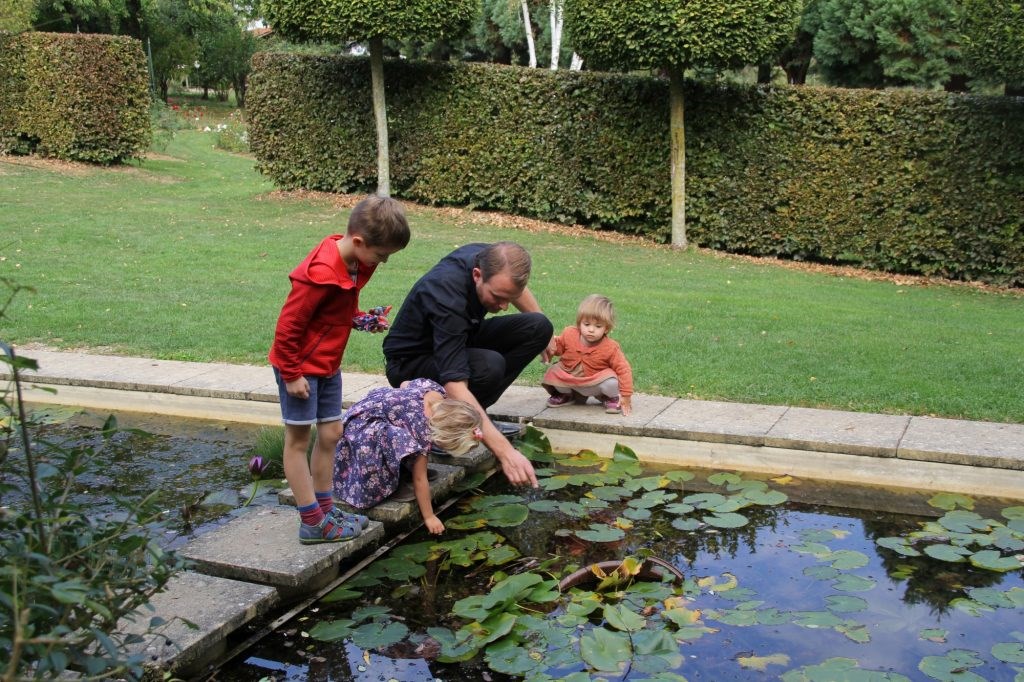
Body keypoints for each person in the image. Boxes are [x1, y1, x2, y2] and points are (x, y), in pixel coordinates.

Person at [268, 195, 410, 544]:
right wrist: (291, 374)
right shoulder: (317, 275)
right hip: (300, 369)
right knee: (299, 440)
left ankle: (326, 506)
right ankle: (312, 521)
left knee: (331, 435)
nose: (384, 262)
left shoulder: (355, 263)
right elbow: (288, 328)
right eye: (382, 255)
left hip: (328, 364)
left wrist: (360, 320)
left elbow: (335, 310)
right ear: (359, 242)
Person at [382, 242, 553, 487]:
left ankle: (473, 417)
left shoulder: (490, 258)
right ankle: (449, 429)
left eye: (509, 298)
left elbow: (514, 289)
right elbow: (455, 384)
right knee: (489, 366)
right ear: (477, 275)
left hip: (459, 336)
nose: (504, 306)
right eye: (497, 297)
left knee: (539, 327)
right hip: (411, 362)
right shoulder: (446, 296)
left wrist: (545, 335)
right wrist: (505, 452)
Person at [333, 378, 482, 535]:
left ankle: (404, 467)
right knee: (401, 439)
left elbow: (404, 383)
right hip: (359, 441)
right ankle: (391, 481)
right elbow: (420, 479)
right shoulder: (422, 428)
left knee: (401, 436)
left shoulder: (434, 391)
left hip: (358, 417)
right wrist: (430, 516)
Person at [542, 294, 634, 416]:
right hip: (570, 377)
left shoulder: (611, 347)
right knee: (553, 372)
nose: (591, 329)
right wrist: (549, 345)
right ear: (579, 323)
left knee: (612, 382)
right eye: (587, 324)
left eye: (598, 326)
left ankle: (610, 398)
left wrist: (626, 395)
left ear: (606, 329)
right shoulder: (569, 334)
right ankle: (567, 395)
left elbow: (623, 369)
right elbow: (557, 347)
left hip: (595, 381)